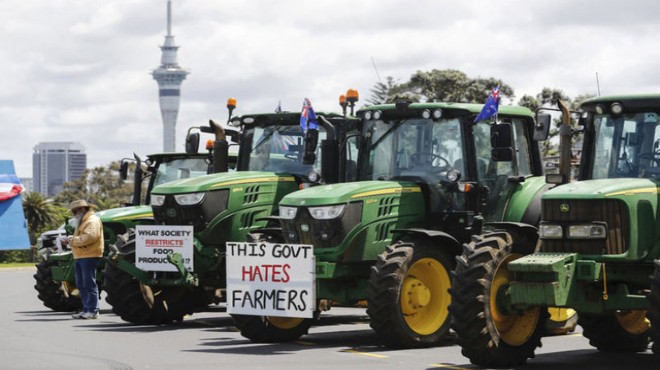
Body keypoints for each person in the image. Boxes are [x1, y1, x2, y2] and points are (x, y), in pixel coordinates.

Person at [61, 199, 104, 319]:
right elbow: (82, 237)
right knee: (81, 284)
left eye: (75, 211)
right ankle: (86, 309)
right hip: (81, 255)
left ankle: (93, 310)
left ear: (83, 209)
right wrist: (72, 238)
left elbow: (89, 237)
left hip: (89, 255)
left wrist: (72, 240)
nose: (73, 214)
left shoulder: (92, 220)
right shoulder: (83, 221)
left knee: (89, 284)